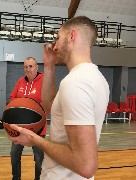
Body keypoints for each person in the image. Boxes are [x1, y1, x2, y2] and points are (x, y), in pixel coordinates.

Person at [8, 16, 110, 179]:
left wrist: (36, 140)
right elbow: (49, 106)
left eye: (58, 37)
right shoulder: (97, 78)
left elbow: (85, 165)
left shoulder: (76, 83)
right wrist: (49, 66)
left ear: (72, 36)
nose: (54, 45)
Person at [9, 57, 47, 180]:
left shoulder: (44, 81)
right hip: (19, 128)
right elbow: (12, 98)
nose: (28, 69)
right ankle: (16, 178)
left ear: (36, 67)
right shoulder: (20, 81)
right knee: (14, 154)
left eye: (30, 66)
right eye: (25, 67)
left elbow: (47, 103)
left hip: (37, 128)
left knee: (39, 158)